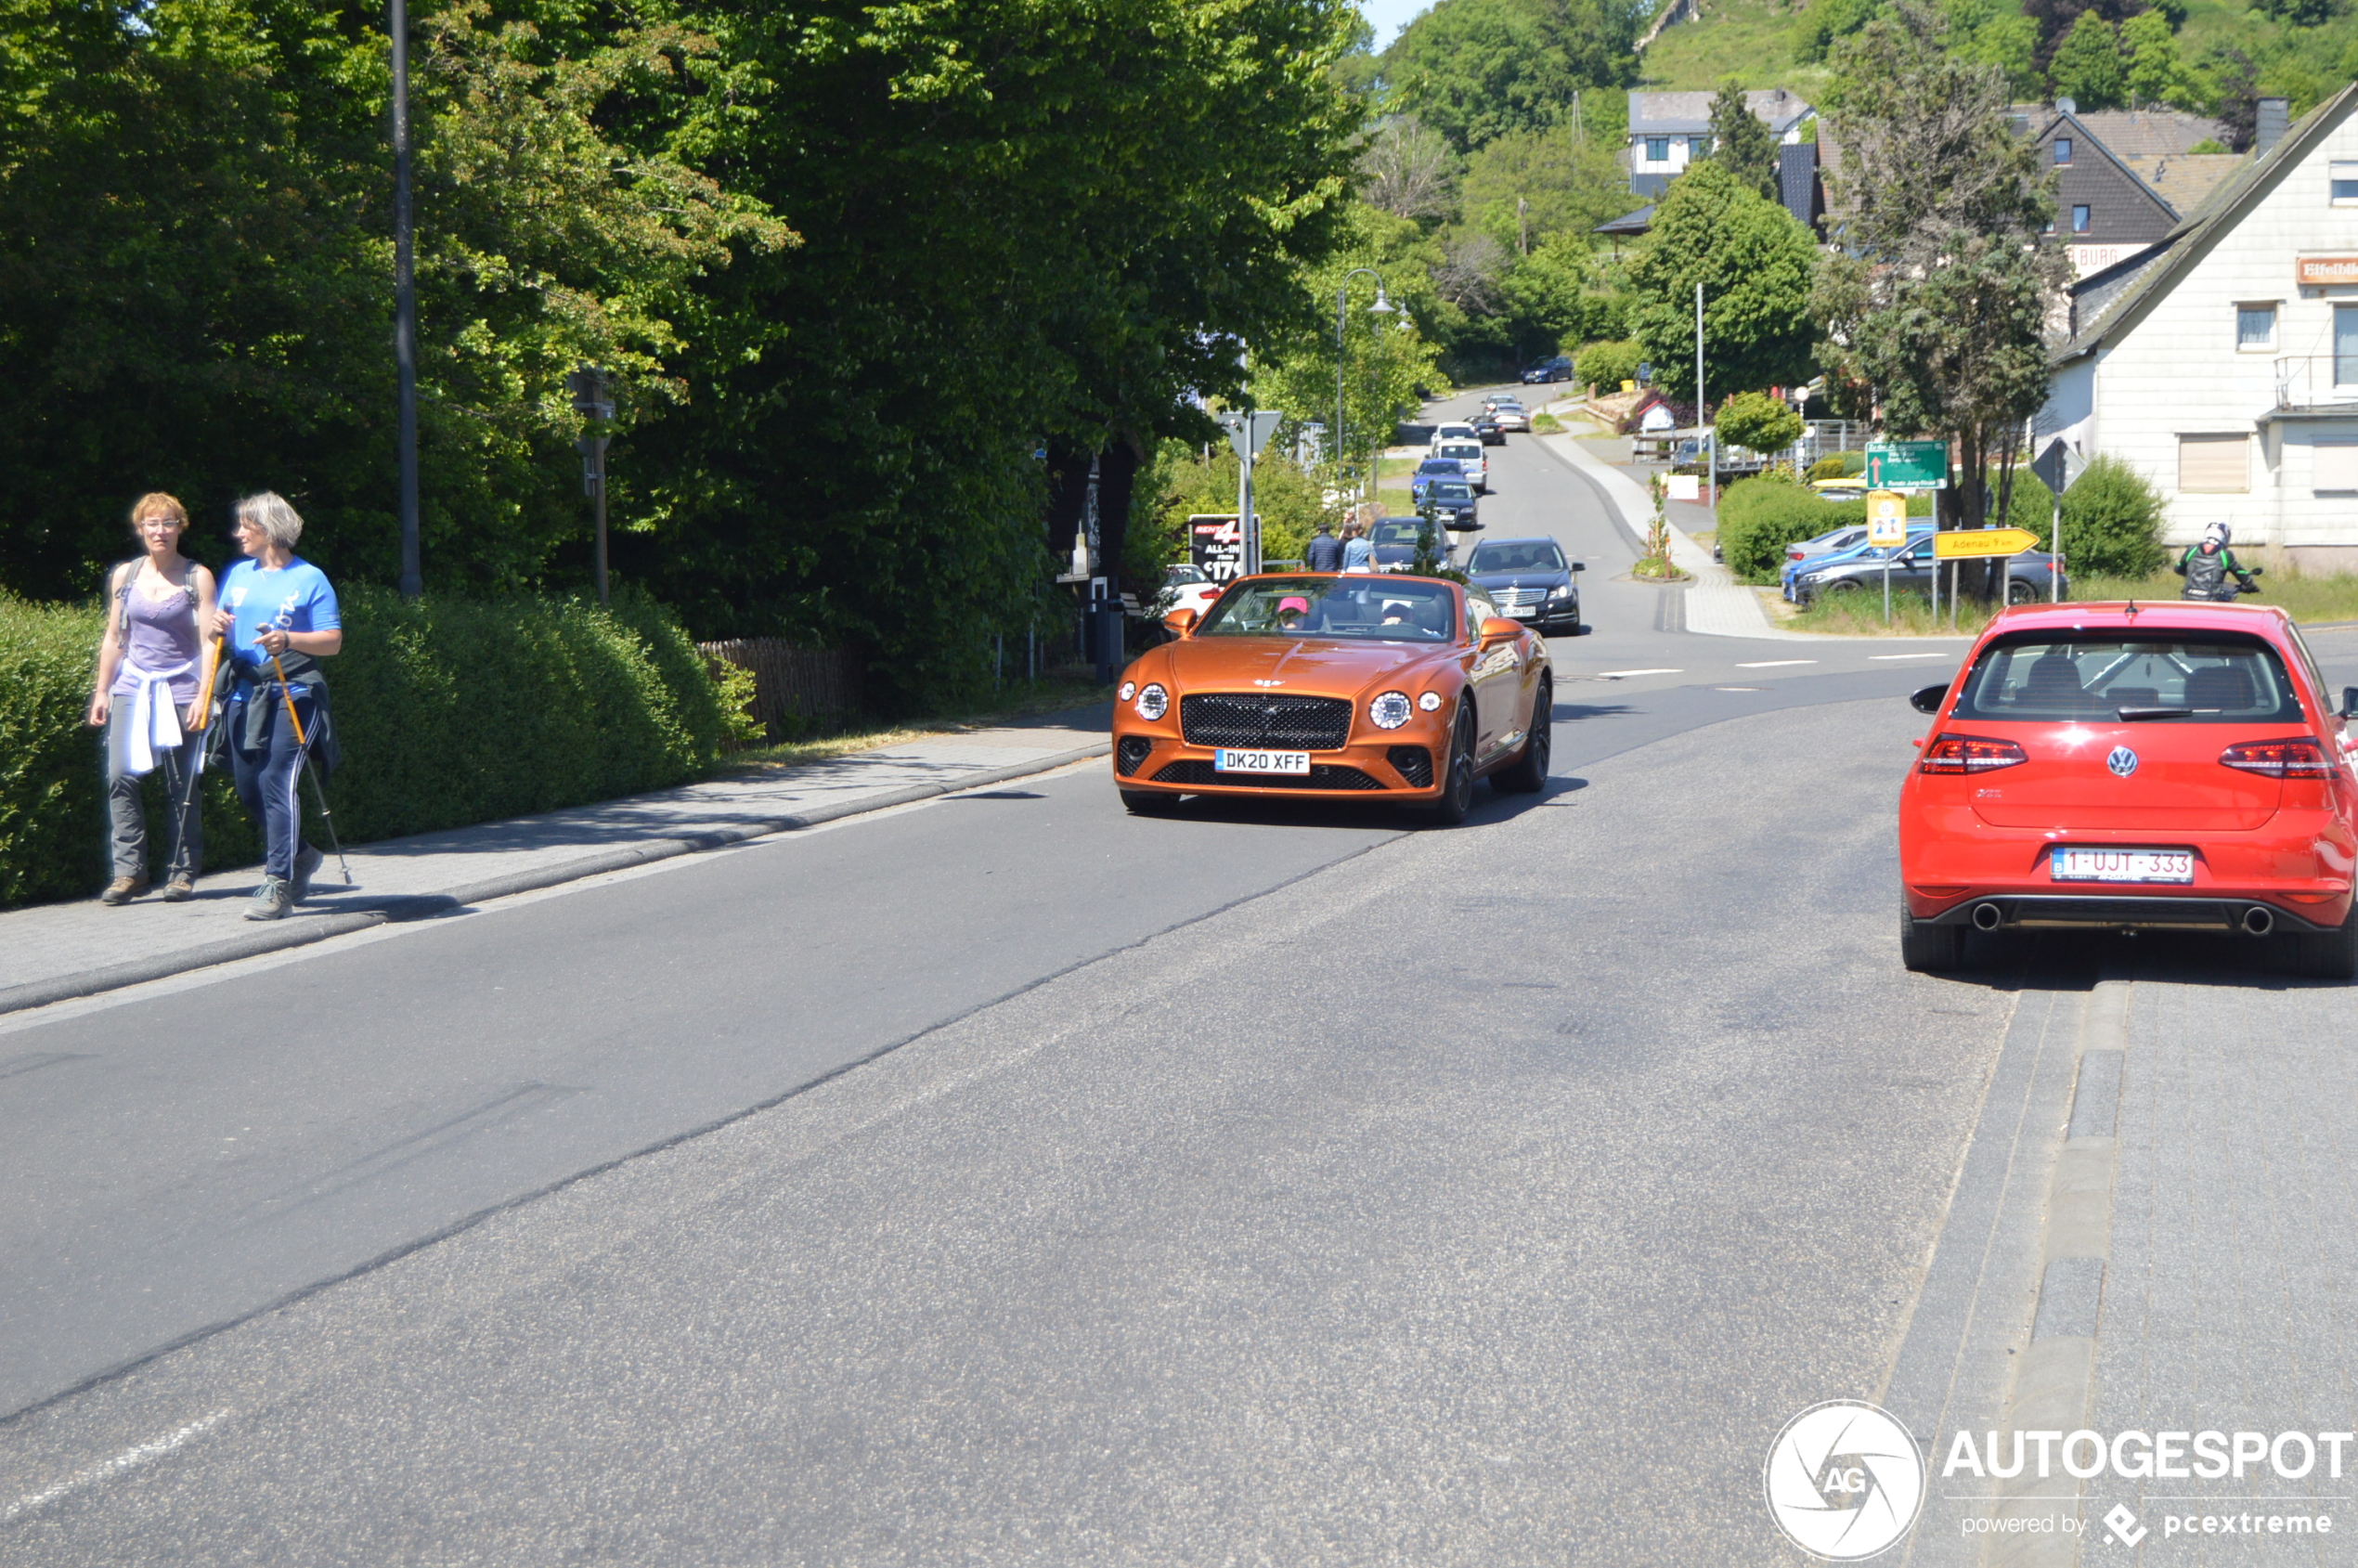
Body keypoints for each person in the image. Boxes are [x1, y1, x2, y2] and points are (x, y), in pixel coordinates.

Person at [211, 492, 342, 921]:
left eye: (245, 526)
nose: (238, 534)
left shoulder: (310, 578)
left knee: (275, 781)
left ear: (268, 530)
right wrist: (214, 626)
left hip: (294, 691)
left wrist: (289, 640)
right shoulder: (240, 575)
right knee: (248, 788)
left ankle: (278, 883)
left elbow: (332, 641)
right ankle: (303, 856)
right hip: (245, 695)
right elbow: (220, 630)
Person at [87, 494, 217, 904]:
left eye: (168, 523)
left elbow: (211, 642)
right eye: (151, 524)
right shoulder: (125, 576)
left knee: (183, 784)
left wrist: (203, 693)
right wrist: (101, 690)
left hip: (181, 690)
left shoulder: (198, 578)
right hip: (134, 687)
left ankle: (182, 873)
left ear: (181, 526)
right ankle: (129, 872)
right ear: (140, 529)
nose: (160, 531)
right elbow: (114, 637)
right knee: (119, 777)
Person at [2174, 521, 2258, 602]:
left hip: (2188, 598)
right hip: (2211, 601)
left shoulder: (2192, 549)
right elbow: (2240, 573)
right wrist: (2250, 585)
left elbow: (2178, 568)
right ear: (2225, 537)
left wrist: (2190, 573)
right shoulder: (2224, 554)